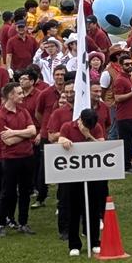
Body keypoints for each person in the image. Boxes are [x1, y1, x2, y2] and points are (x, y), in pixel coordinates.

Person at [57, 108, 107, 255]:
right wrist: (64, 141)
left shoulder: (95, 128)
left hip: (91, 176)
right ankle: (74, 245)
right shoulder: (67, 126)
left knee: (93, 210)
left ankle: (94, 242)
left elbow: (101, 145)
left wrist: (88, 135)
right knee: (73, 210)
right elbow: (60, 138)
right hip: (73, 176)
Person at [0, 82, 37, 236]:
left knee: (25, 191)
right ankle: (1, 224)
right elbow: (8, 141)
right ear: (10, 96)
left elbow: (33, 131)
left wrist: (14, 132)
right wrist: (24, 134)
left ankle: (23, 222)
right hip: (11, 159)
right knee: (8, 192)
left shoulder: (23, 111)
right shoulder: (0, 116)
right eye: (19, 93)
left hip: (27, 157)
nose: (22, 95)